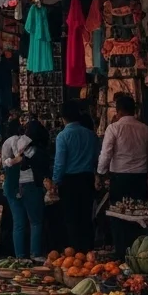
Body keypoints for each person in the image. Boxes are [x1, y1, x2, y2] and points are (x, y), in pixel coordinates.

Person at [97, 94, 148, 259]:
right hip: (140, 178)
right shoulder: (146, 129)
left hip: (120, 178)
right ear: (134, 110)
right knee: (138, 215)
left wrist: (100, 173)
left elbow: (106, 154)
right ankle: (139, 253)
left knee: (118, 216)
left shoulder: (114, 128)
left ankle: (122, 253)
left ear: (118, 110)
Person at [53, 100, 100, 252]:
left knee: (71, 219)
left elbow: (60, 163)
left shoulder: (63, 136)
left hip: (69, 181)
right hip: (87, 179)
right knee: (86, 217)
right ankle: (88, 251)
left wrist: (56, 181)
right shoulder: (91, 135)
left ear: (63, 117)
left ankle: (75, 253)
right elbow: (96, 157)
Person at [2, 118, 50, 259]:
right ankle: (35, 254)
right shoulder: (35, 147)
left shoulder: (9, 142)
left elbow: (4, 164)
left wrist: (11, 161)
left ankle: (20, 257)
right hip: (30, 184)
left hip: (12, 185)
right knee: (35, 222)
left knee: (18, 223)